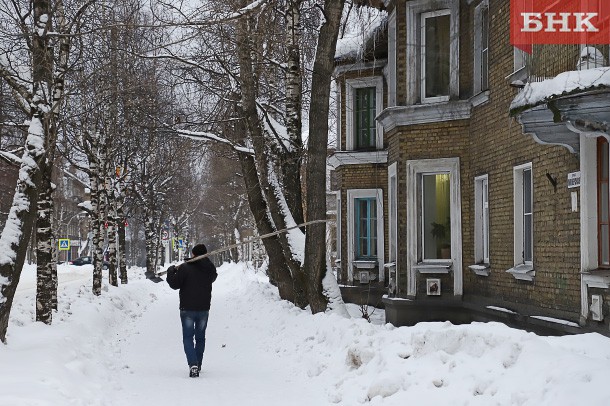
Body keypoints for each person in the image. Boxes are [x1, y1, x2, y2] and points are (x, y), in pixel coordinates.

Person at [166, 243, 218, 378]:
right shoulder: (210, 269)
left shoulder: (185, 268)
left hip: (187, 308)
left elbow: (174, 284)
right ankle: (198, 364)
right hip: (204, 309)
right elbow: (213, 276)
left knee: (188, 337)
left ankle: (193, 364)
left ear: (193, 254)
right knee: (200, 338)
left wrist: (171, 272)